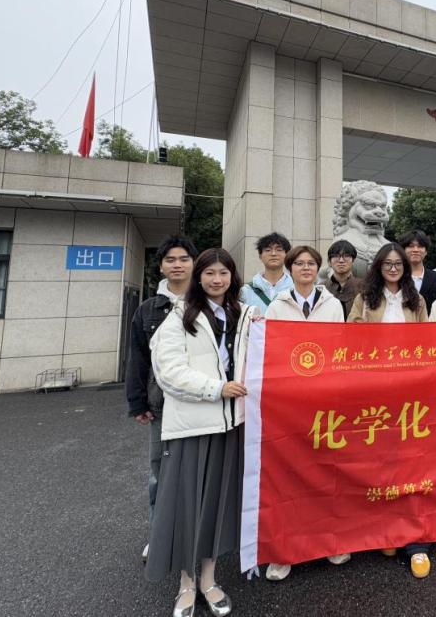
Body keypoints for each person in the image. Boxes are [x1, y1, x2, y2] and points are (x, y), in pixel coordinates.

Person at [147, 248, 255, 617]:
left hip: (231, 426)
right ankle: (186, 585)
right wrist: (216, 389)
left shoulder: (244, 315)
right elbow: (168, 373)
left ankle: (209, 579)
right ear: (199, 277)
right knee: (185, 507)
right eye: (209, 273)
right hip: (191, 428)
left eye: (223, 272)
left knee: (216, 508)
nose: (216, 279)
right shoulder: (180, 316)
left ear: (232, 277)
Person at [262, 245, 350, 581]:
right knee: (287, 475)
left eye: (311, 263)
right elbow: (270, 352)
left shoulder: (332, 305)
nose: (305, 268)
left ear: (318, 268)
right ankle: (283, 551)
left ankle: (331, 542)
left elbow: (340, 348)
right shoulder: (277, 305)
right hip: (288, 403)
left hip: (325, 399)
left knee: (327, 472)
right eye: (299, 263)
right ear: (290, 269)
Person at [347, 243, 430, 578]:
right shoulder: (365, 299)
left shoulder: (416, 300)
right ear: (378, 267)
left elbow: (429, 343)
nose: (393, 268)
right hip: (375, 389)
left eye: (398, 264)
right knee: (379, 461)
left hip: (410, 390)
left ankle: (415, 541)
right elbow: (349, 338)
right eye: (387, 263)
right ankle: (385, 530)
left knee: (412, 461)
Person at [125, 235, 198, 564]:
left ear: (194, 264)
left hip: (203, 402)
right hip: (162, 403)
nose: (177, 265)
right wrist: (137, 402)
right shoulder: (148, 310)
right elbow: (138, 357)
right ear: (161, 267)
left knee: (199, 468)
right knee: (161, 471)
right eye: (171, 260)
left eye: (184, 259)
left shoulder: (207, 303)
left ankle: (197, 533)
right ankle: (158, 534)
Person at [238, 232, 292, 312]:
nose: (273, 254)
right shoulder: (245, 292)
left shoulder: (296, 289)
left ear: (287, 255)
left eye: (279, 250)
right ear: (260, 256)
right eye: (268, 250)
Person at [399, 229, 436, 313]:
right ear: (403, 250)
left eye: (420, 246)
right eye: (411, 246)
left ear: (426, 251)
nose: (415, 250)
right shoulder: (396, 277)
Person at [320, 239, 364, 319]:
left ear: (353, 260)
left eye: (346, 256)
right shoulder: (321, 288)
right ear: (329, 261)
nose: (341, 260)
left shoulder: (363, 287)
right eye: (336, 256)